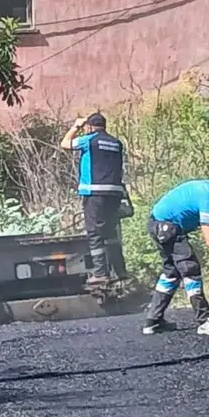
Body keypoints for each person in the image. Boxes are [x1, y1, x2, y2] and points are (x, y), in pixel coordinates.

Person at [142, 170, 209, 336]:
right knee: (190, 269)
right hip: (166, 227)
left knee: (171, 273)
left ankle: (153, 321)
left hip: (158, 224)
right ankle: (205, 321)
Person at [60, 112, 128, 287]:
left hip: (94, 192)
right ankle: (120, 270)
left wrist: (76, 126)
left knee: (94, 232)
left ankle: (100, 273)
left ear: (89, 127)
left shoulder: (88, 140)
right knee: (111, 232)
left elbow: (65, 144)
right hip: (114, 193)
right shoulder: (116, 143)